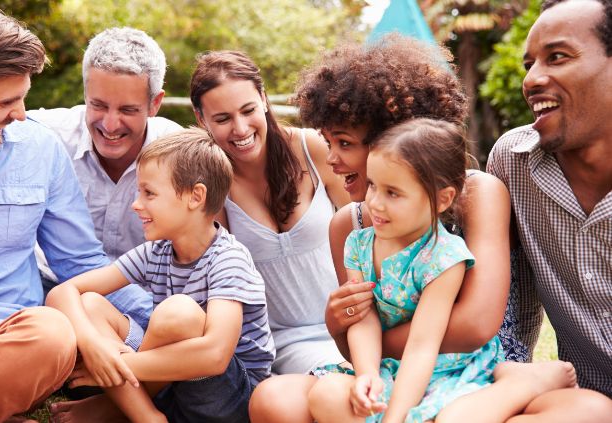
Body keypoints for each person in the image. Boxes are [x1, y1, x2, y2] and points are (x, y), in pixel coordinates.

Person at [249, 34, 512, 422]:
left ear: (392, 140)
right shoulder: (349, 226)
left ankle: (523, 384)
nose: (331, 159)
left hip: (469, 364)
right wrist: (339, 326)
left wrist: (371, 341)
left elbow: (475, 324)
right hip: (384, 367)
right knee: (273, 399)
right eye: (326, 141)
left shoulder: (474, 194)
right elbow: (358, 335)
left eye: (343, 143)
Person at [307, 118, 577, 423]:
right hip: (389, 363)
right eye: (373, 186)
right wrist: (367, 376)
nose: (375, 203)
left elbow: (423, 345)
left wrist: (394, 418)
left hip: (448, 366)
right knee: (325, 395)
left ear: (442, 199)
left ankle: (518, 384)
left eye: (392, 193)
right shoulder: (358, 244)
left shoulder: (443, 257)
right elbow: (363, 316)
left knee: (453, 419)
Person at [0, 1, 111, 420]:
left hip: (6, 345)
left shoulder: (36, 148)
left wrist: (154, 333)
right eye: (6, 102)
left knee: (52, 334)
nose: (20, 114)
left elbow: (82, 263)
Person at [46, 128, 274, 423]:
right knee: (90, 304)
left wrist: (118, 364)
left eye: (149, 193)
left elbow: (215, 355)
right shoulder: (156, 252)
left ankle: (114, 408)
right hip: (169, 386)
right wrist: (95, 346)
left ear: (195, 196)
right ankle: (147, 417)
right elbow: (62, 292)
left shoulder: (229, 259)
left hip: (227, 398)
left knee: (177, 313)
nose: (136, 203)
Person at [189, 50, 350, 375]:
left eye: (248, 110)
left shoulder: (313, 149)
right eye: (222, 119)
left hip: (353, 321)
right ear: (201, 119)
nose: (240, 128)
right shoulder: (213, 187)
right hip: (285, 342)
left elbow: (367, 231)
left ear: (263, 99)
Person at [487, 0, 612, 405]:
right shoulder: (512, 162)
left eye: (557, 57)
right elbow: (510, 308)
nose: (533, 79)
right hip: (583, 403)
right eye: (529, 65)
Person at [28, 27, 182, 329]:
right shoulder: (44, 136)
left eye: (128, 109)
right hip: (51, 295)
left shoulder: (179, 156)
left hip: (141, 307)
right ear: (85, 94)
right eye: (97, 105)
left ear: (154, 103)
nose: (110, 124)